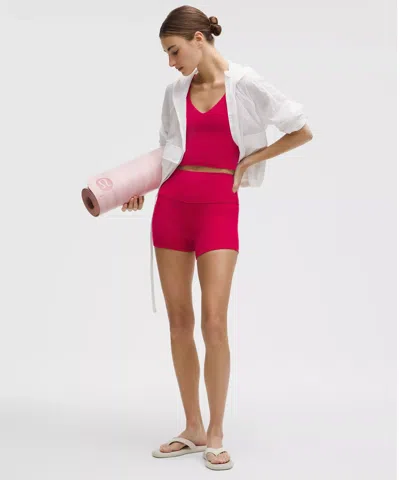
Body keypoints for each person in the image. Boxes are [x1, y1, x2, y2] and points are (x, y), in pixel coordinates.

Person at [122, 5, 313, 470]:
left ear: (198, 39)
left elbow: (300, 130)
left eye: (174, 51)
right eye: (167, 54)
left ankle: (216, 433)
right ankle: (192, 428)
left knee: (214, 322)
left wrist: (250, 161)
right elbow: (167, 149)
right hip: (172, 207)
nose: (171, 62)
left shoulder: (246, 84)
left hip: (218, 209)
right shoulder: (174, 92)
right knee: (179, 321)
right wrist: (136, 187)